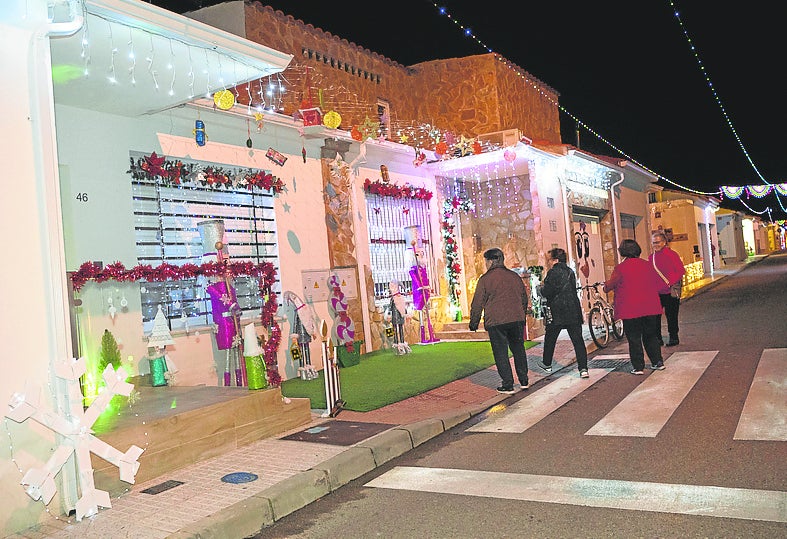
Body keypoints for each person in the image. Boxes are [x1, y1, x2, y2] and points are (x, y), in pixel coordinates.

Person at [469, 248, 530, 393]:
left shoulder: (485, 280)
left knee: (500, 352)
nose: (485, 264)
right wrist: (521, 314)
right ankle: (524, 380)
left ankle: (508, 383)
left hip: (496, 322)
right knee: (518, 349)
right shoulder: (514, 277)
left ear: (491, 261)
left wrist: (474, 322)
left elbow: (477, 303)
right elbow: (524, 297)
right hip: (516, 319)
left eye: (486, 261)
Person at [604, 240, 665, 374]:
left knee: (634, 337)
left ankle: (638, 366)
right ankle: (657, 361)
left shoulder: (620, 268)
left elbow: (611, 285)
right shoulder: (648, 265)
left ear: (622, 252)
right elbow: (657, 282)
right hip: (650, 306)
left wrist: (605, 286)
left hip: (630, 309)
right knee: (651, 335)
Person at [537, 248, 589, 378]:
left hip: (557, 311)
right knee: (578, 340)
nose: (548, 262)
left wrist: (540, 289)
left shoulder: (553, 272)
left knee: (550, 338)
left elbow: (548, 291)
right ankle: (583, 368)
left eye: (549, 259)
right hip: (573, 310)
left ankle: (547, 364)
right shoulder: (570, 271)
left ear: (555, 260)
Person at [649, 230, 686, 346]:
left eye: (658, 242)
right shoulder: (651, 258)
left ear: (664, 242)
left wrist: (669, 282)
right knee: (655, 317)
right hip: (656, 292)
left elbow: (681, 271)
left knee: (672, 316)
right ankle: (657, 339)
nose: (656, 245)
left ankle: (674, 337)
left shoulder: (672, 255)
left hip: (670, 291)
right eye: (654, 243)